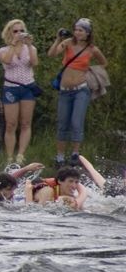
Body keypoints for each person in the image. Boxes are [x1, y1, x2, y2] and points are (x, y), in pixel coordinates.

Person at [47, 18, 107, 167]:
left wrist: (91, 72)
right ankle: (60, 156)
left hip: (81, 89)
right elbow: (52, 54)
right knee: (62, 122)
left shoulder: (92, 49)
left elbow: (104, 62)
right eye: (76, 29)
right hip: (65, 90)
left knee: (76, 121)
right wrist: (57, 40)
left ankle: (75, 154)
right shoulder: (67, 43)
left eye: (81, 30)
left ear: (87, 33)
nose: (78, 32)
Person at [0, 19, 39, 165]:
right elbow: (7, 61)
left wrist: (28, 45)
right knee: (11, 123)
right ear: (9, 32)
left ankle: (21, 155)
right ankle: (9, 157)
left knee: (26, 122)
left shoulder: (31, 48)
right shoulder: (4, 50)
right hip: (11, 87)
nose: (19, 34)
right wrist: (14, 44)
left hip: (27, 87)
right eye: (15, 31)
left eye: (21, 31)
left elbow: (34, 63)